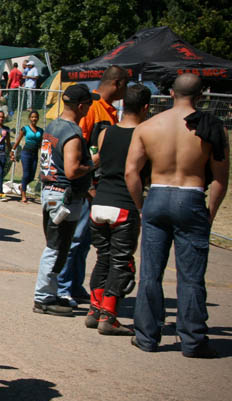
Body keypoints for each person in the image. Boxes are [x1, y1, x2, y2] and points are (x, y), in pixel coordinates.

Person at [125, 74, 229, 358]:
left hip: (157, 196)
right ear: (202, 96)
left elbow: (131, 172)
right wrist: (210, 212)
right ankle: (193, 340)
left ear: (171, 93)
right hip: (191, 195)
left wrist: (140, 206)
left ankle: (146, 336)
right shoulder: (211, 127)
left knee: (150, 273)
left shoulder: (148, 126)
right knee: (191, 276)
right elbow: (221, 178)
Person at [57, 66, 129, 308]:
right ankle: (63, 287)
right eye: (125, 85)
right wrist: (86, 184)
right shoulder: (93, 110)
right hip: (84, 185)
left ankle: (75, 285)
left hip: (98, 185)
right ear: (117, 83)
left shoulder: (108, 110)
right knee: (75, 239)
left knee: (85, 241)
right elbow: (79, 148)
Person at [86, 84, 151, 335]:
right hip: (124, 204)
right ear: (146, 107)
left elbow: (100, 162)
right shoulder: (144, 134)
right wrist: (141, 207)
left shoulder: (106, 133)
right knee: (120, 262)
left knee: (103, 258)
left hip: (100, 203)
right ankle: (109, 317)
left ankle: (94, 309)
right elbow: (134, 173)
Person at [33, 84, 98, 316]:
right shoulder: (72, 133)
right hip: (63, 195)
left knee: (57, 246)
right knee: (56, 247)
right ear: (81, 106)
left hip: (51, 192)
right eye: (89, 104)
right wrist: (93, 162)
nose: (89, 108)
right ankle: (43, 298)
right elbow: (71, 170)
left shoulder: (53, 126)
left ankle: (48, 294)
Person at [10, 110, 43, 203]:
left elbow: (41, 144)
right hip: (26, 153)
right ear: (29, 118)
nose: (34, 119)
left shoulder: (40, 130)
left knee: (32, 177)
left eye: (36, 117)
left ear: (38, 118)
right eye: (32, 117)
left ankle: (22, 186)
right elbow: (18, 140)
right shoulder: (25, 129)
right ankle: (23, 195)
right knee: (26, 174)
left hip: (35, 154)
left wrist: (44, 154)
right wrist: (12, 150)